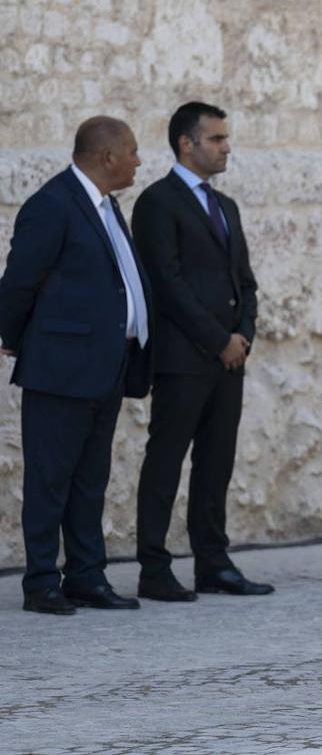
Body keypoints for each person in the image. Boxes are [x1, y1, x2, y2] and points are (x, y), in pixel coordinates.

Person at [0, 116, 152, 614]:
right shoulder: (52, 204)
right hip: (60, 368)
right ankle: (42, 582)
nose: (138, 159)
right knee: (50, 479)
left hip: (106, 365)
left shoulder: (106, 207)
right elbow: (19, 281)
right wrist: (16, 339)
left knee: (90, 479)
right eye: (131, 150)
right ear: (107, 156)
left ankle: (86, 575)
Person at [130, 102, 270, 600]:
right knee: (166, 461)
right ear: (186, 143)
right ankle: (153, 567)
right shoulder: (156, 203)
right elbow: (166, 284)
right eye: (215, 139)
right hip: (183, 359)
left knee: (216, 463)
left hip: (229, 361)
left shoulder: (225, 206)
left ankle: (213, 562)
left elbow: (244, 282)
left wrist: (243, 335)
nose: (226, 146)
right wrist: (218, 340)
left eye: (225, 138)